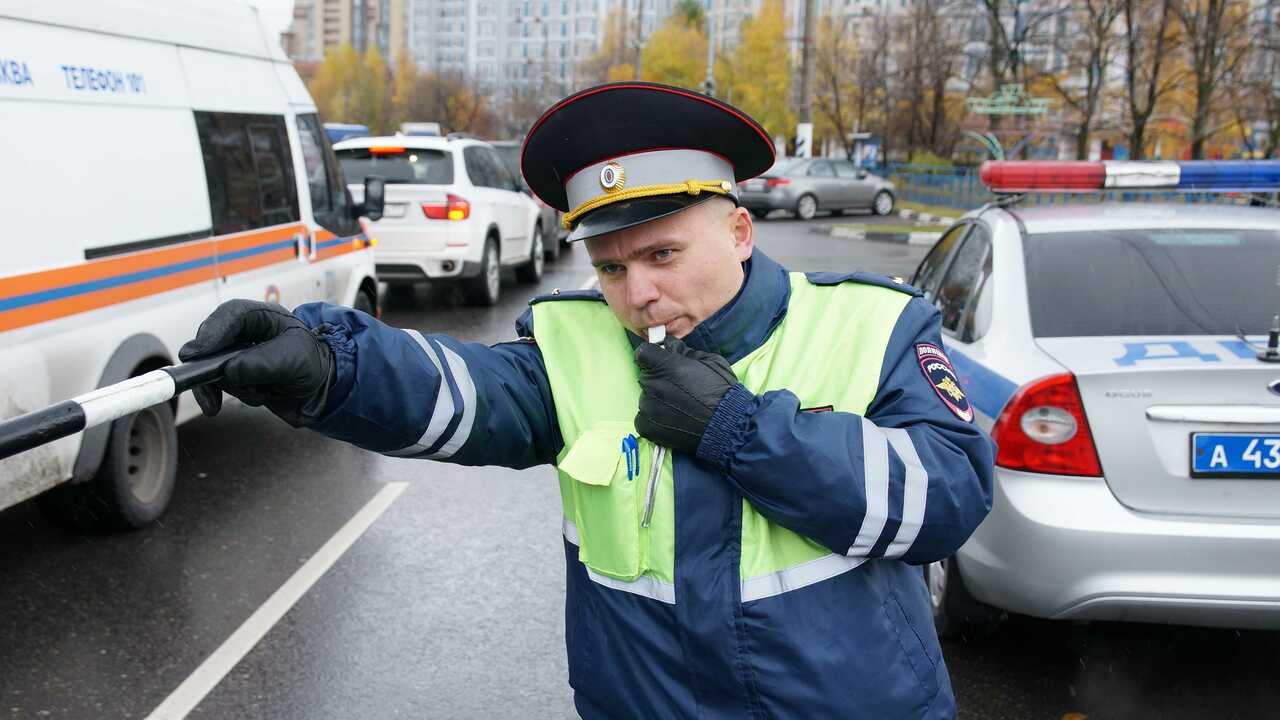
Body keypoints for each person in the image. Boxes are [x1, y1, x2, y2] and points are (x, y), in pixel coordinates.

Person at [180, 82, 995, 719]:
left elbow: (950, 495)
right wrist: (328, 364)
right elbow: (465, 392)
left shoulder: (873, 323)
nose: (637, 294)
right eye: (608, 267)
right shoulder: (579, 344)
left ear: (740, 232)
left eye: (662, 254)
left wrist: (740, 431)